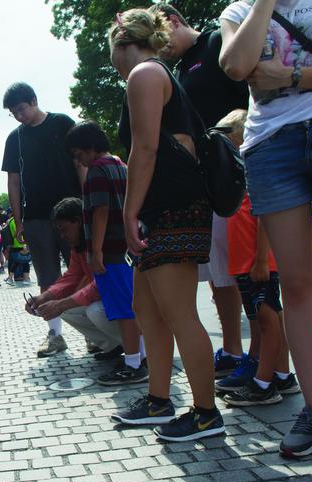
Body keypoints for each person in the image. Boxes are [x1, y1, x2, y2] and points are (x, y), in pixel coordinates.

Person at [220, 0, 312, 454]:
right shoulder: (239, 10)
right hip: (271, 147)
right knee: (298, 286)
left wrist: (291, 77)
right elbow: (235, 65)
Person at [106, 9, 222, 442]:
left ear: (122, 45)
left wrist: (128, 211)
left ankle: (207, 413)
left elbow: (146, 149)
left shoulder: (144, 75)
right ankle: (158, 399)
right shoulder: (160, 73)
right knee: (147, 308)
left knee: (179, 314)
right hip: (170, 207)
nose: (114, 69)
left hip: (168, 208)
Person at [150, 2, 252, 379]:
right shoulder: (175, 68)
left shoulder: (215, 43)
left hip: (235, 167)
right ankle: (233, 348)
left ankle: (260, 359)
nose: (160, 51)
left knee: (246, 271)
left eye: (162, 41)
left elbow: (247, 95)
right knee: (220, 273)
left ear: (174, 20)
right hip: (206, 178)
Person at [206, 110, 300, 406]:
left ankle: (263, 384)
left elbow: (264, 217)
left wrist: (261, 260)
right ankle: (282, 375)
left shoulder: (254, 168)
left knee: (267, 321)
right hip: (245, 265)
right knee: (266, 318)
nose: (221, 140)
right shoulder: (238, 172)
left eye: (226, 133)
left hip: (257, 265)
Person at [1, 82, 84, 357]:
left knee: (84, 272)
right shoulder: (15, 139)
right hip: (36, 216)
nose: (19, 116)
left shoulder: (62, 123)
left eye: (21, 109)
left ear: (34, 101)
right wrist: (19, 220)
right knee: (47, 277)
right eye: (14, 113)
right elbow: (13, 182)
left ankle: (93, 333)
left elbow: (80, 161)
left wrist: (87, 204)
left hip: (72, 212)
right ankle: (55, 334)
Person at [66, 121, 149, 386]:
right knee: (134, 305)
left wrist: (96, 250)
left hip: (111, 251)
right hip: (128, 247)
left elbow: (100, 211)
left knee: (123, 310)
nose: (79, 161)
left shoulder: (97, 171)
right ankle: (142, 357)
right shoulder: (120, 165)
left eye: (79, 154)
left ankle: (134, 363)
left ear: (90, 147)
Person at [25, 198, 123, 359]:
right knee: (67, 309)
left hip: (125, 302)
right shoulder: (79, 247)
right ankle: (114, 346)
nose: (62, 236)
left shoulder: (103, 243)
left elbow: (101, 285)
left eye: (64, 229)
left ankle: (138, 351)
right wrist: (44, 297)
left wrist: (61, 303)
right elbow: (71, 276)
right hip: (110, 298)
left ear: (78, 222)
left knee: (94, 310)